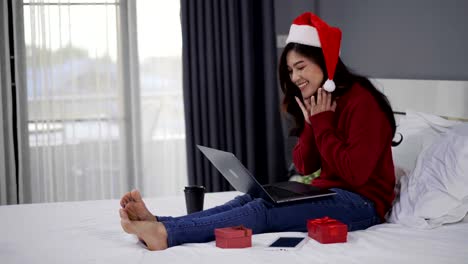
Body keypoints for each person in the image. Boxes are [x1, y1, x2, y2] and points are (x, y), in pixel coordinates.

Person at [119, 12, 399, 251]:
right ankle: (160, 222)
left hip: (362, 204)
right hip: (326, 194)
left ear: (325, 62)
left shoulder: (364, 103)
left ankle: (167, 235)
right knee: (252, 198)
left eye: (300, 67)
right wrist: (313, 126)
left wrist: (322, 123)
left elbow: (355, 174)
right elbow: (304, 165)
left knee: (262, 210)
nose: (295, 77)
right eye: (290, 71)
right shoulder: (320, 103)